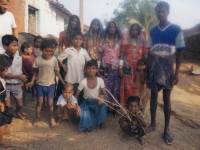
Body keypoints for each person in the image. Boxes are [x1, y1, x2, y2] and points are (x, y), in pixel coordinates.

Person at [146, 1, 185, 145]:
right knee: (154, 97)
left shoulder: (176, 29)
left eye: (163, 11)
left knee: (167, 98)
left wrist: (177, 73)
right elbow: (149, 52)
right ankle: (153, 123)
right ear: (156, 13)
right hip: (154, 66)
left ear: (167, 12)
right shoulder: (153, 31)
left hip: (168, 67)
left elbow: (180, 52)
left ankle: (167, 129)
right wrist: (147, 71)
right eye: (158, 11)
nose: (160, 14)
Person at [26, 39, 65, 128]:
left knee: (50, 103)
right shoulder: (38, 59)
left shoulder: (54, 60)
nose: (48, 53)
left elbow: (57, 71)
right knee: (40, 102)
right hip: (40, 84)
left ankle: (51, 118)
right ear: (41, 50)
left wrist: (62, 82)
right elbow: (35, 72)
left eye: (50, 51)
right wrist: (32, 81)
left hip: (51, 84)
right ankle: (37, 117)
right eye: (46, 51)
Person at [98, 21, 123, 117]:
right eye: (110, 27)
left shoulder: (120, 40)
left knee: (116, 88)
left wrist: (120, 67)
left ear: (117, 29)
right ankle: (106, 107)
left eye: (114, 27)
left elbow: (122, 55)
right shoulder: (103, 40)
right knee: (106, 87)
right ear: (108, 28)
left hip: (116, 69)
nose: (112, 28)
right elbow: (100, 53)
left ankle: (115, 108)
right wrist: (99, 66)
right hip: (105, 69)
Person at [119, 23, 148, 106]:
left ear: (139, 31)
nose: (134, 31)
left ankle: (138, 109)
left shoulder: (143, 42)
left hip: (139, 70)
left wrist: (145, 70)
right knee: (129, 89)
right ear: (130, 31)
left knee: (139, 89)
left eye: (136, 29)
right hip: (127, 69)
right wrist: (120, 68)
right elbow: (122, 55)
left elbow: (145, 56)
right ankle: (129, 108)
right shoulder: (126, 41)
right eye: (132, 29)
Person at [75, 60, 108, 132]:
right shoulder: (83, 81)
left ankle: (101, 121)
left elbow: (105, 94)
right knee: (81, 117)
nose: (91, 70)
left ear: (97, 70)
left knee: (105, 102)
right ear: (86, 70)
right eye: (89, 68)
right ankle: (94, 119)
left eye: (93, 68)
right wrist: (77, 106)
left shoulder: (100, 80)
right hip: (87, 103)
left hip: (96, 103)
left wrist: (101, 97)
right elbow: (76, 96)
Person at [1, 35, 27, 120]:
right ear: (5, 46)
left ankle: (17, 111)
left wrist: (21, 80)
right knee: (8, 105)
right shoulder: (2, 58)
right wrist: (19, 76)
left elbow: (20, 70)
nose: (16, 48)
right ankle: (6, 118)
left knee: (20, 104)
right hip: (6, 85)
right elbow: (2, 74)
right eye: (14, 45)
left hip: (16, 84)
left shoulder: (19, 58)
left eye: (17, 45)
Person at [0, 54, 13, 148]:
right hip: (0, 105)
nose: (7, 70)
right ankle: (0, 142)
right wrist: (1, 105)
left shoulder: (1, 78)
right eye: (6, 68)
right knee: (0, 124)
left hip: (2, 103)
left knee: (3, 121)